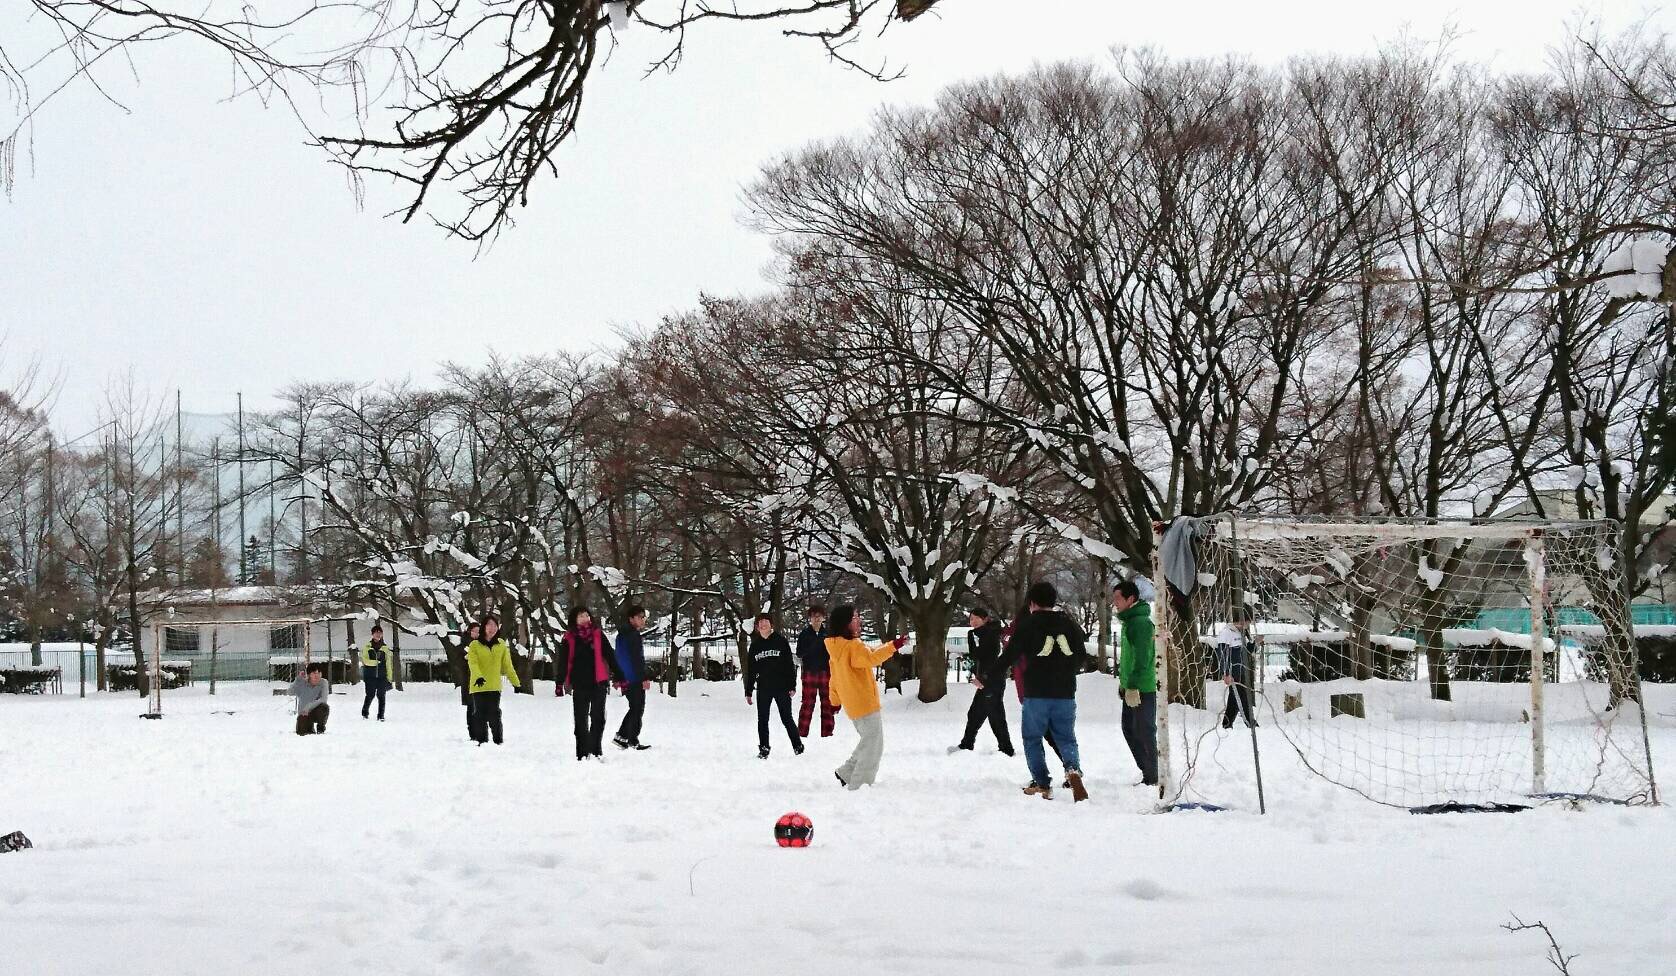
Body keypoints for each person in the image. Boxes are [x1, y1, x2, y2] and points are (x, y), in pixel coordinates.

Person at [999, 581, 1090, 801]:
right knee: (1066, 738)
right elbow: (1081, 657)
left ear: (1031, 603)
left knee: (1032, 737)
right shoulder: (1069, 624)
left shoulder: (1028, 625)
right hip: (1065, 692)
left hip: (1036, 691)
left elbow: (1009, 656)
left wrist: (987, 676)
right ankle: (1073, 770)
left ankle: (1042, 782)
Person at [825, 604, 908, 790]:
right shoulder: (853, 646)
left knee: (869, 740)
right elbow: (872, 658)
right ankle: (860, 784)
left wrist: (835, 701)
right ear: (845, 623)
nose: (859, 620)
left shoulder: (836, 646)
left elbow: (834, 678)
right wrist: (894, 645)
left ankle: (846, 772)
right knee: (874, 746)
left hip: (852, 705)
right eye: (855, 617)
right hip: (864, 703)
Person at [556, 606, 624, 761]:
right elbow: (563, 662)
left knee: (598, 717)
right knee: (580, 718)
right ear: (574, 619)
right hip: (579, 683)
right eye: (581, 616)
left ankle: (595, 749)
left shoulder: (598, 634)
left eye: (587, 615)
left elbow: (610, 655)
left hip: (599, 682)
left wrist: (619, 675)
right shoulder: (569, 638)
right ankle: (582, 752)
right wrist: (559, 683)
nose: (585, 618)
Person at [951, 606, 1014, 756]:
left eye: (975, 618)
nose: (972, 622)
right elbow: (976, 656)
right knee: (976, 714)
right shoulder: (975, 634)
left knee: (995, 716)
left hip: (993, 680)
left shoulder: (992, 634)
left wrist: (983, 678)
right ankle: (967, 744)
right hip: (985, 680)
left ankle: (1006, 749)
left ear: (985, 619)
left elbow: (992, 658)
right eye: (970, 619)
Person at [1114, 580, 1158, 786]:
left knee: (1143, 730)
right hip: (1130, 686)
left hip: (1141, 688)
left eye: (1118, 598)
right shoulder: (1129, 622)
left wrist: (1132, 684)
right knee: (1129, 729)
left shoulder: (1140, 623)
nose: (1115, 602)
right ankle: (1147, 771)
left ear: (1130, 599)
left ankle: (1153, 775)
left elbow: (1142, 658)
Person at [745, 613, 804, 759]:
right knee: (762, 719)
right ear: (757, 627)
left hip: (781, 687)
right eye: (760, 623)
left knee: (786, 718)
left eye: (766, 622)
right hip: (763, 688)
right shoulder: (755, 646)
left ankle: (798, 746)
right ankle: (764, 748)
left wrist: (792, 685)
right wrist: (749, 690)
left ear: (771, 625)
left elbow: (790, 665)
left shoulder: (781, 641)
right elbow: (751, 669)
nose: (763, 624)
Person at [466, 614, 520, 746]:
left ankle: (498, 741)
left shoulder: (501, 644)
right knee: (480, 714)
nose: (492, 628)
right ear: (484, 627)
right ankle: (482, 741)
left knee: (494, 713)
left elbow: (507, 665)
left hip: (494, 685)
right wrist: (478, 676)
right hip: (478, 686)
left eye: (495, 625)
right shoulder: (475, 645)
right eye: (489, 625)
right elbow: (473, 663)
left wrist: (516, 682)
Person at [613, 605, 653, 751]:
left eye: (643, 617)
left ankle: (623, 737)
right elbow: (637, 659)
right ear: (631, 619)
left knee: (635, 708)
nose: (642, 620)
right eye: (639, 617)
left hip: (625, 677)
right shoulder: (633, 635)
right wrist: (644, 677)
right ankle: (630, 739)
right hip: (634, 678)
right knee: (637, 708)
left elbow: (617, 657)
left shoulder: (621, 635)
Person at [795, 605, 838, 739]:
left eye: (819, 616)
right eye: (814, 616)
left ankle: (827, 733)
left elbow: (834, 653)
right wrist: (812, 646)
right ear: (810, 618)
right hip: (809, 672)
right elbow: (799, 653)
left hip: (826, 671)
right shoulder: (804, 634)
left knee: (827, 702)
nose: (816, 618)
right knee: (808, 703)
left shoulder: (829, 634)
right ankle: (801, 733)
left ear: (823, 618)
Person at [1216, 607, 1259, 731]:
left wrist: (1255, 643)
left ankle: (1227, 724)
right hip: (1232, 673)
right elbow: (1223, 655)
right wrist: (1226, 673)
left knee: (1234, 698)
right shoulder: (1226, 633)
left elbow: (1246, 652)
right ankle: (1250, 723)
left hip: (1241, 670)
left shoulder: (1241, 633)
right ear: (1242, 620)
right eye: (1248, 621)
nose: (1248, 624)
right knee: (1242, 697)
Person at [360, 622, 395, 721]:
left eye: (380, 632)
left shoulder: (385, 648)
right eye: (376, 632)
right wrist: (376, 662)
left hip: (382, 676)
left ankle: (381, 715)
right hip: (370, 676)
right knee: (370, 695)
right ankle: (365, 713)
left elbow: (388, 663)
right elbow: (365, 661)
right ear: (372, 634)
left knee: (381, 696)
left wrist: (389, 677)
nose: (378, 634)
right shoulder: (367, 647)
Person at [290, 663, 330, 736]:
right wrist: (298, 679)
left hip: (315, 711)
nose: (317, 675)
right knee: (302, 733)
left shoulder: (323, 683)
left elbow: (323, 699)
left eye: (319, 673)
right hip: (303, 714)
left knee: (324, 707)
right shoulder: (302, 682)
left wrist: (308, 707)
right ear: (308, 675)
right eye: (314, 673)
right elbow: (290, 692)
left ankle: (320, 728)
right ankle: (309, 727)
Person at [457, 621, 481, 738]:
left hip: (481, 680)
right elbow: (460, 660)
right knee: (472, 706)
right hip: (469, 680)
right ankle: (472, 732)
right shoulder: (464, 645)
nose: (476, 634)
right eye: (474, 631)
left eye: (478, 631)